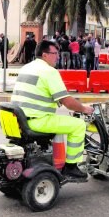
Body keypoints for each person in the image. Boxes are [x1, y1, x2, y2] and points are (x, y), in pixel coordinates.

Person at [10, 40, 94, 180]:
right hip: (37, 121)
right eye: (55, 53)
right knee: (78, 125)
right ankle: (71, 167)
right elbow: (67, 101)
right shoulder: (49, 72)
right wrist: (84, 109)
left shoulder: (27, 67)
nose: (58, 57)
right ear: (45, 55)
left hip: (19, 120)